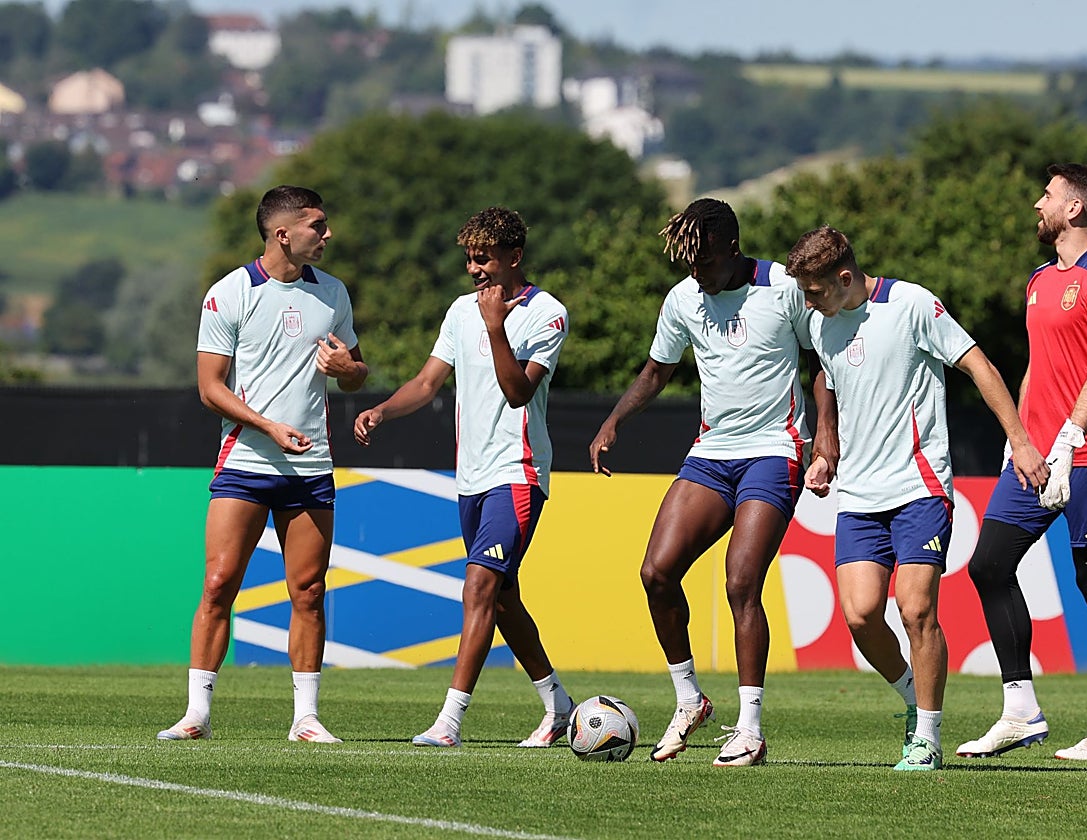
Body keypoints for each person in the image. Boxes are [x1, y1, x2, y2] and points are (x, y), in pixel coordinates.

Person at [786, 224, 1048, 771]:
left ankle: (926, 737)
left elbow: (979, 365)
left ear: (844, 277)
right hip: (858, 493)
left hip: (919, 487)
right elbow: (826, 380)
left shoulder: (912, 304)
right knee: (860, 616)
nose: (807, 302)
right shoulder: (821, 321)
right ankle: (912, 698)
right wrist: (825, 446)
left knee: (916, 607)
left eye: (813, 290)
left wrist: (1020, 441)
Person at [589, 198, 838, 767]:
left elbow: (824, 361)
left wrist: (826, 438)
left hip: (775, 451)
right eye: (688, 263)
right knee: (656, 572)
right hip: (711, 453)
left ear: (732, 248)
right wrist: (613, 422)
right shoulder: (683, 298)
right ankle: (690, 700)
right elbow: (657, 369)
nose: (695, 273)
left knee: (740, 581)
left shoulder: (782, 286)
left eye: (703, 261)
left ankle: (748, 727)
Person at [353, 207, 574, 748]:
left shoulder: (548, 313)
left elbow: (518, 392)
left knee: (479, 585)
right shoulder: (459, 311)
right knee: (500, 599)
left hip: (517, 473)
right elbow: (428, 383)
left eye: (484, 259)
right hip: (469, 478)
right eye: (470, 260)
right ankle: (559, 705)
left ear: (513, 257)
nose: (475, 270)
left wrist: (496, 328)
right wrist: (382, 410)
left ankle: (448, 722)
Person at [158, 185, 369, 743]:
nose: (327, 235)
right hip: (246, 461)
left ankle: (306, 718)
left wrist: (349, 368)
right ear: (283, 233)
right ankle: (197, 714)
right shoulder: (231, 292)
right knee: (220, 582)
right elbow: (209, 388)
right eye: (317, 226)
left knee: (309, 590)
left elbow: (357, 372)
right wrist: (269, 426)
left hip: (312, 466)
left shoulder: (334, 294)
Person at [956, 163, 1087, 762]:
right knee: (987, 564)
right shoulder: (1038, 279)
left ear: (1076, 209)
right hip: (1034, 457)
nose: (1039, 203)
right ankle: (1020, 712)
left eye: (1049, 195)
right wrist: (1022, 436)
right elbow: (1042, 362)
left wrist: (1069, 439)